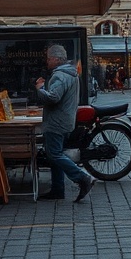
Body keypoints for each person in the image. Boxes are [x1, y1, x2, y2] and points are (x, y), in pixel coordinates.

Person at [35, 44, 97, 202]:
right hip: (66, 119)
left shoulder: (60, 76)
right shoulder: (71, 73)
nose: (47, 62)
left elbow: (53, 97)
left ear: (56, 59)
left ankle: (82, 177)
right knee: (55, 154)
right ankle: (57, 189)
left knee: (54, 154)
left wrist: (40, 89)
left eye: (49, 59)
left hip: (57, 121)